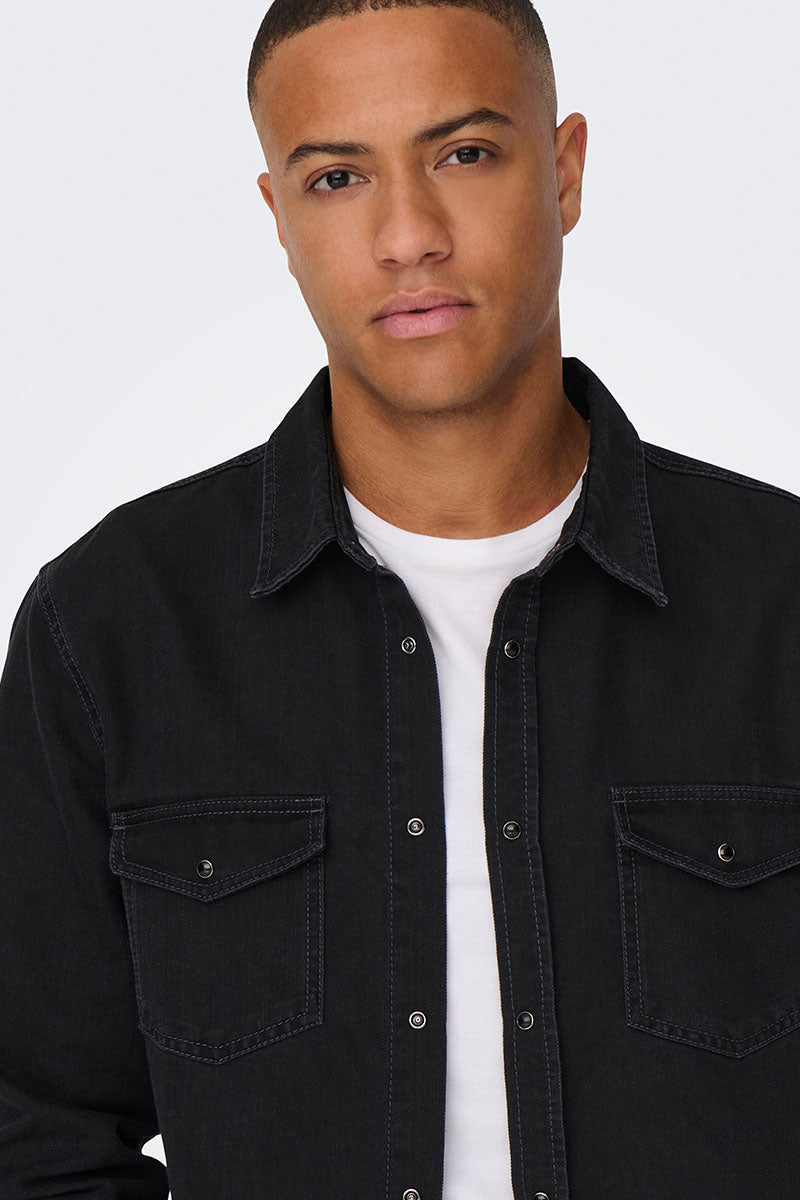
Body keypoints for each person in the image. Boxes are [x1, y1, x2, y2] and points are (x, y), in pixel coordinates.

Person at [2, 1, 799, 1197]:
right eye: (336, 178)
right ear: (279, 218)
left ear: (564, 172)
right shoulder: (113, 626)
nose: (407, 235)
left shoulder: (778, 601)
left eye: (463, 154)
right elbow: (33, 1128)